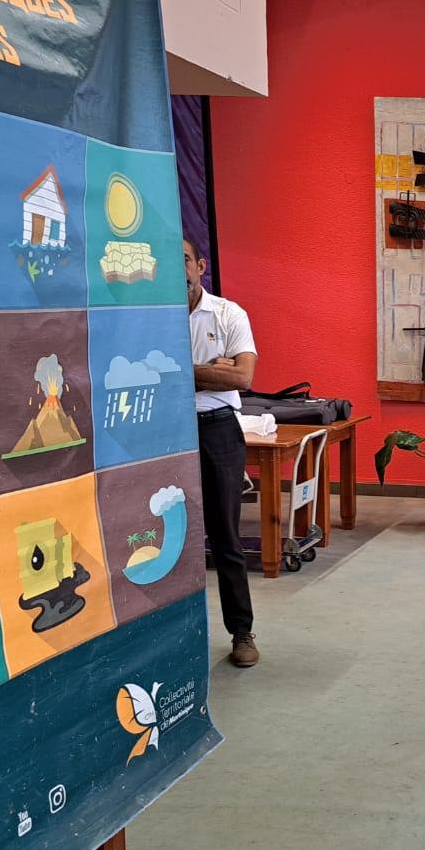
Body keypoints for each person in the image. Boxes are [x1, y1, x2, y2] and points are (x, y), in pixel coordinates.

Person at [185, 236, 260, 668]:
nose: (178, 270)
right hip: (165, 432)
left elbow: (244, 378)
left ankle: (241, 632)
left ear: (200, 266)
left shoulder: (229, 314)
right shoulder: (149, 317)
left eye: (184, 260)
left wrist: (180, 371)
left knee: (226, 537)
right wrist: (212, 370)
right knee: (170, 536)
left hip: (217, 429)